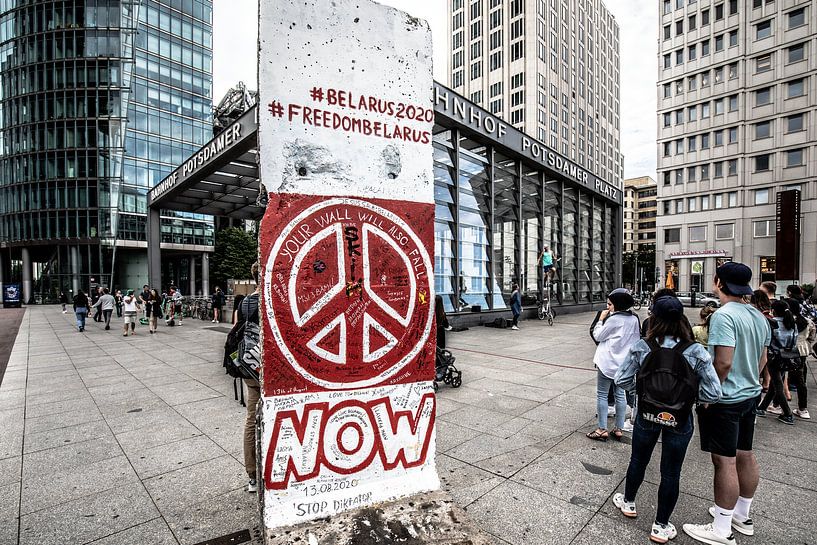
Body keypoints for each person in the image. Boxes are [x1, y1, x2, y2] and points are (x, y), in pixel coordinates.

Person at [614, 295, 721, 544]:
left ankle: (628, 502)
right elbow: (714, 392)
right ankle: (661, 526)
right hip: (680, 418)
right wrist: (691, 398)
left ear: (654, 319)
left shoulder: (644, 346)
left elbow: (621, 379)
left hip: (646, 414)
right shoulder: (695, 350)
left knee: (638, 459)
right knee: (671, 472)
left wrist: (640, 392)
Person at [683, 262, 771, 545]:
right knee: (745, 453)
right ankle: (741, 516)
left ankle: (721, 529)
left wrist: (710, 395)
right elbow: (763, 359)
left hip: (726, 399)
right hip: (750, 395)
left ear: (718, 282)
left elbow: (722, 362)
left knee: (724, 461)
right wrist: (752, 381)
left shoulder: (723, 316)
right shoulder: (758, 316)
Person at [587, 288, 640, 442]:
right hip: (622, 364)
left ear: (617, 305)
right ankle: (618, 428)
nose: (607, 307)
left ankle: (602, 429)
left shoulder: (613, 319)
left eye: (610, 304)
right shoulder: (634, 319)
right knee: (620, 394)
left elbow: (598, 335)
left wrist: (600, 320)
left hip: (607, 362)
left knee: (602, 394)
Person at [756, 300, 802, 424]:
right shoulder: (792, 324)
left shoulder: (773, 323)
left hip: (774, 357)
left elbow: (767, 340)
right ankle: (761, 407)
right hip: (788, 357)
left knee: (777, 385)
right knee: (775, 384)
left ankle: (787, 413)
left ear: (774, 310)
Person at [237, 263, 261, 493]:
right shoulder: (270, 299)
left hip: (250, 366)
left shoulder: (245, 302)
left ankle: (252, 475)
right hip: (269, 368)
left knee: (251, 419)